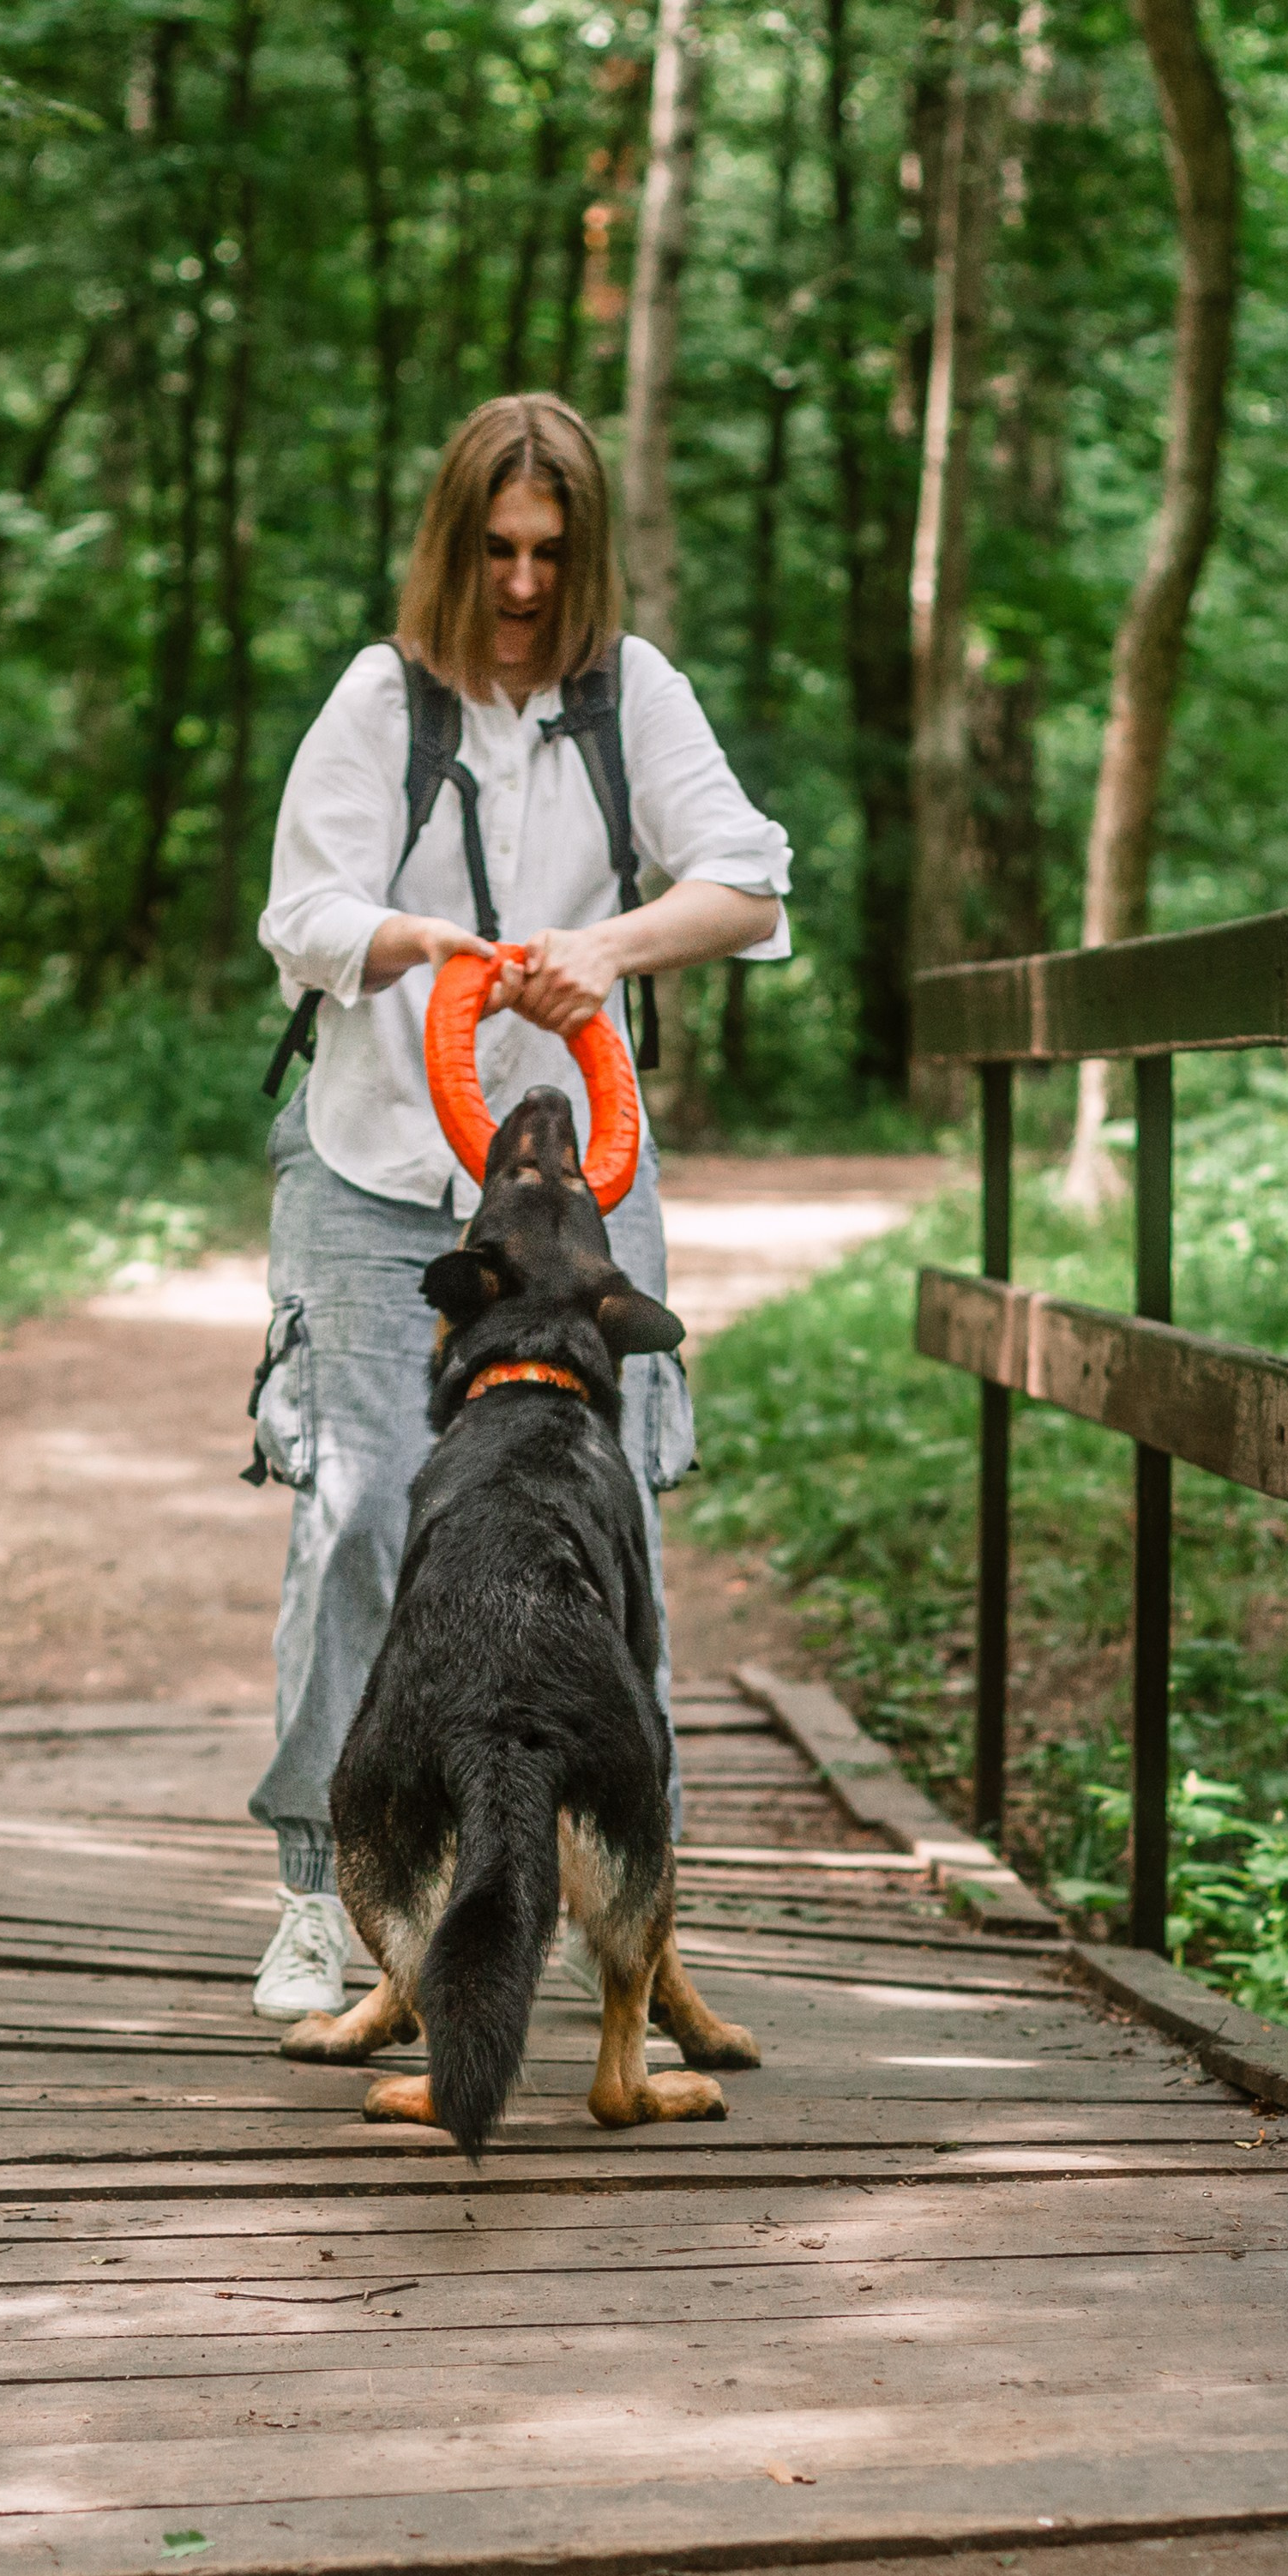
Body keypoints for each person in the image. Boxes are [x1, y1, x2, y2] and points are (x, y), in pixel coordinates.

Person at [246, 391, 791, 2020]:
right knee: (363, 1513)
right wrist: (423, 946)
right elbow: (301, 908)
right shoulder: (382, 699)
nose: (525, 583)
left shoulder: (633, 695)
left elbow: (748, 880)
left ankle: (637, 1918)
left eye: (552, 551)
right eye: (496, 549)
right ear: (451, 542)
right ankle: (326, 1892)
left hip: (569, 1193)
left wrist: (606, 948)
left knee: (606, 1526)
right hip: (380, 1168)